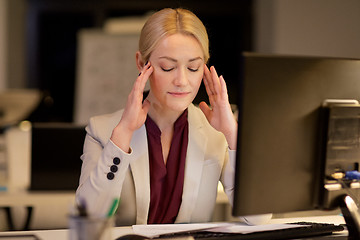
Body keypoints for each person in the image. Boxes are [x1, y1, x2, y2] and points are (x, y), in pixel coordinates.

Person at [75, 7, 239, 225]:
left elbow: (258, 217)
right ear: (142, 64)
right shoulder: (102, 131)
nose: (182, 80)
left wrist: (232, 133)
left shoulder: (216, 133)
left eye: (193, 67)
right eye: (168, 67)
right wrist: (123, 134)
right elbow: (89, 217)